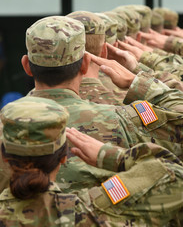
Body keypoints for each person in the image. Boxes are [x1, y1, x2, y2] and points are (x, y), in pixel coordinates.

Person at [21, 16, 183, 191]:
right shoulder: (123, 120)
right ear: (85, 64)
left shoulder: (6, 124)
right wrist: (137, 79)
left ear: (26, 66)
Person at [0, 96, 183, 226]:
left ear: (4, 158)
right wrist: (110, 156)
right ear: (64, 157)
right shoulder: (90, 215)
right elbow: (174, 174)